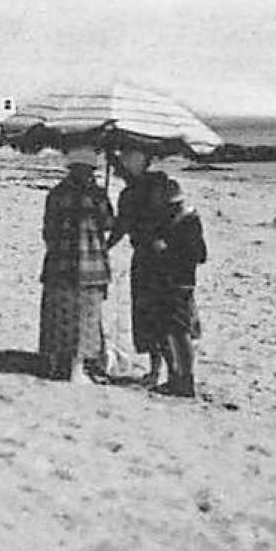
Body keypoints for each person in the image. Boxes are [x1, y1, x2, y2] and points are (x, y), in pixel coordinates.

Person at [39, 147, 114, 384]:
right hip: (89, 266)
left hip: (58, 262)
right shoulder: (96, 195)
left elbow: (48, 230)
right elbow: (108, 223)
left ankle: (55, 364)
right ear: (90, 170)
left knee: (58, 312)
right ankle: (76, 368)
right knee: (84, 317)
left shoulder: (56, 194)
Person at [108, 148, 173, 386]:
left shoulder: (130, 194)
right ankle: (164, 370)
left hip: (146, 257)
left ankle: (157, 371)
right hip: (168, 256)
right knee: (164, 313)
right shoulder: (161, 185)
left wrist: (104, 247)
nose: (116, 172)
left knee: (148, 314)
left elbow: (121, 228)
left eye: (119, 167)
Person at [154, 180, 208, 397]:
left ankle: (185, 380)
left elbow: (196, 254)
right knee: (177, 330)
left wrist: (165, 250)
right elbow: (200, 255)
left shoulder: (184, 223)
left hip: (177, 281)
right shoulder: (190, 220)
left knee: (179, 331)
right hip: (182, 281)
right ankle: (180, 377)